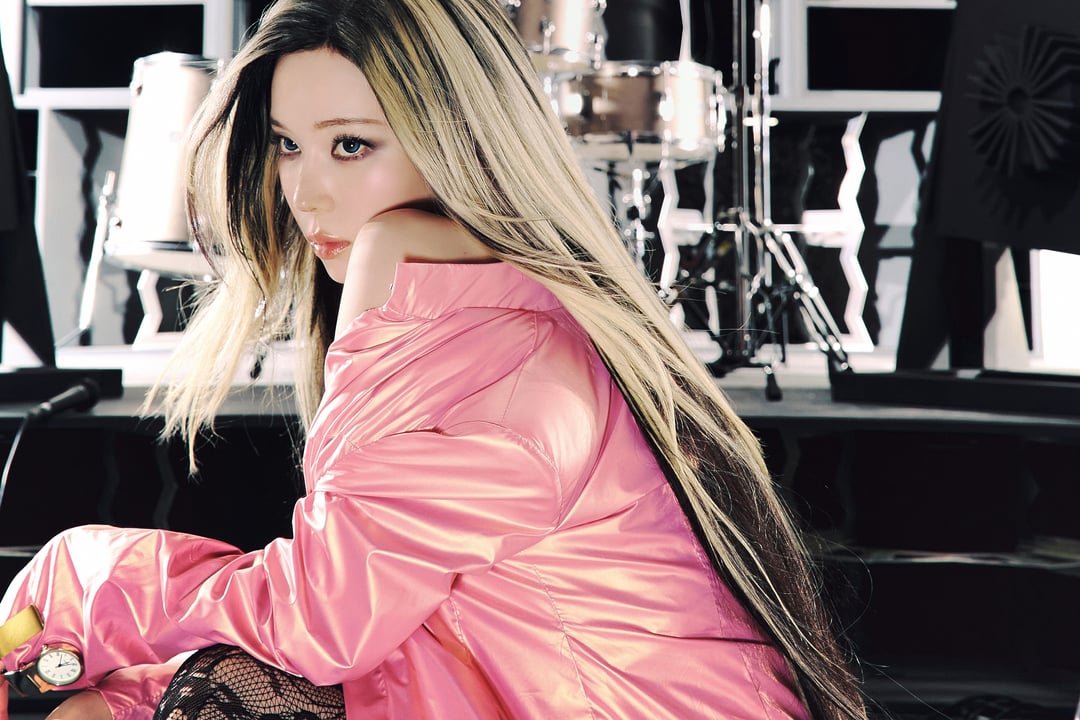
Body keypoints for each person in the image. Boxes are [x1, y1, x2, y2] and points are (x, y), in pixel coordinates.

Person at [0, 1, 868, 718]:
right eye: (287, 144)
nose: (305, 192)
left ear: (460, 142)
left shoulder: (500, 351)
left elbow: (323, 619)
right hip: (508, 687)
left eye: (351, 145)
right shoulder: (497, 308)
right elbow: (390, 632)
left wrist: (86, 579)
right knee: (118, 702)